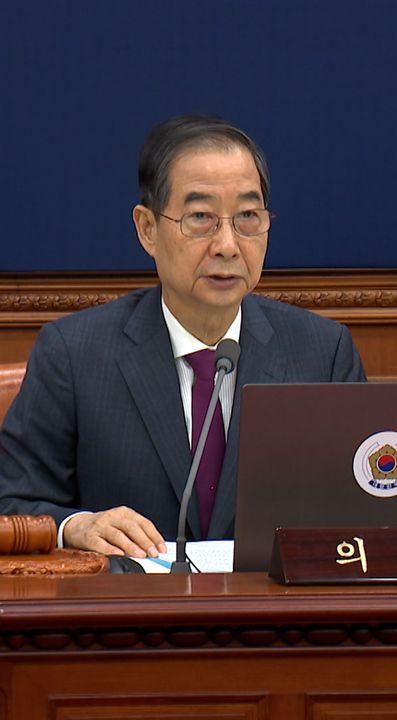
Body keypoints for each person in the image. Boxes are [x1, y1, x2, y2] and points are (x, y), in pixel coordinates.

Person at [0, 115, 365, 559]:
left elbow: (363, 510)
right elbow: (11, 502)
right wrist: (75, 526)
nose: (228, 245)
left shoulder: (323, 353)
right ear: (147, 229)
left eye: (248, 217)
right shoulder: (74, 355)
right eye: (200, 218)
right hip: (130, 602)